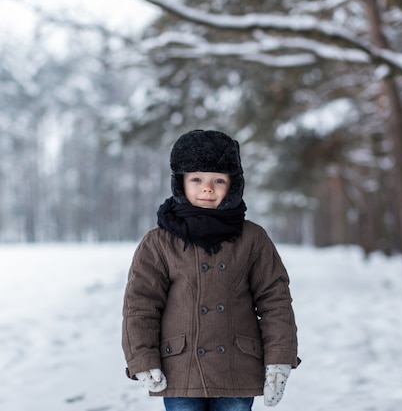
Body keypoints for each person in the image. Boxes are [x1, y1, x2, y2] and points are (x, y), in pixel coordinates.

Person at [122, 129, 299, 411]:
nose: (208, 188)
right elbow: (141, 306)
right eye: (196, 179)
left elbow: (275, 301)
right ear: (180, 183)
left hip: (237, 370)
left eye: (218, 179)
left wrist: (279, 358)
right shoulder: (158, 242)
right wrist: (142, 359)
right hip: (180, 370)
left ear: (234, 184)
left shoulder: (253, 239)